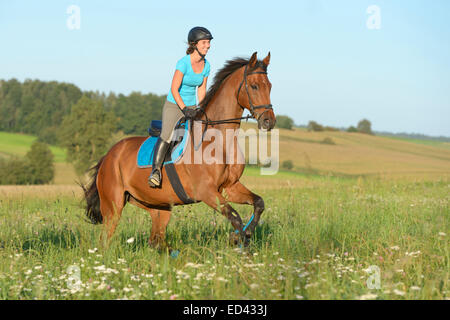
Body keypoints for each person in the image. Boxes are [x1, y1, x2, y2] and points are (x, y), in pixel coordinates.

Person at [148, 26, 213, 188]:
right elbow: (174, 89)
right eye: (204, 42)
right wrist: (184, 108)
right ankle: (155, 171)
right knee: (168, 134)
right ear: (194, 44)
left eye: (209, 42)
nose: (208, 45)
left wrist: (202, 108)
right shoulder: (183, 63)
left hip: (193, 107)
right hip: (175, 105)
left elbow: (202, 89)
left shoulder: (207, 65)